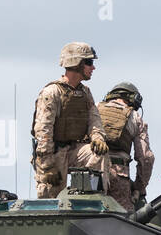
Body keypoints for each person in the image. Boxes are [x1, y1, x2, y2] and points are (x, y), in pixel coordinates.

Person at [32, 42, 108, 198]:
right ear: (76, 63)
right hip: (53, 153)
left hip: (74, 150)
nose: (93, 68)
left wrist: (97, 139)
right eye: (89, 62)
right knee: (51, 198)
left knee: (98, 153)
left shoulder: (85, 93)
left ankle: (93, 201)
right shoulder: (52, 92)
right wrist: (48, 166)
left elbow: (94, 121)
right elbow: (43, 132)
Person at [96, 82, 155, 211]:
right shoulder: (135, 117)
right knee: (123, 220)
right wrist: (139, 188)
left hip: (91, 171)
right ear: (134, 99)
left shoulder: (94, 109)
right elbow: (146, 158)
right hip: (118, 174)